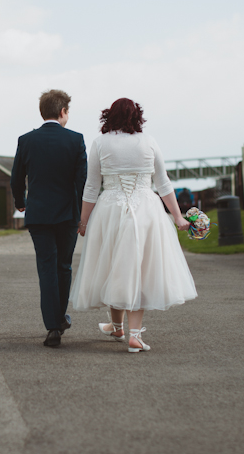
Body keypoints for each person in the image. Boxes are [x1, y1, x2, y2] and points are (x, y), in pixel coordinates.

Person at [69, 98, 197, 353]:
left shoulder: (100, 143)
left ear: (109, 116)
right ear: (137, 117)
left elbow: (92, 187)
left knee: (114, 266)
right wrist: (177, 217)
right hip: (146, 210)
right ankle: (130, 333)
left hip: (110, 210)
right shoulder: (149, 142)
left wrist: (83, 221)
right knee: (138, 269)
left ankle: (118, 326)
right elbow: (164, 184)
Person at [11, 89, 88, 348]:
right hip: (67, 215)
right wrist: (80, 213)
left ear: (42, 112)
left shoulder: (26, 140)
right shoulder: (76, 140)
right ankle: (60, 317)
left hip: (39, 215)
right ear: (63, 112)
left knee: (46, 268)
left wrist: (21, 202)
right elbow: (82, 181)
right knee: (63, 267)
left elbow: (16, 177)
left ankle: (53, 326)